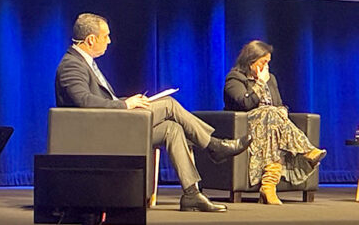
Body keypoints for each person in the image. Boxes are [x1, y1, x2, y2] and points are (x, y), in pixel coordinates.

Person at [55, 13, 252, 212]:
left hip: (112, 124)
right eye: (105, 36)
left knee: (171, 128)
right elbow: (83, 101)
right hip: (99, 132)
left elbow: (102, 101)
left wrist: (129, 101)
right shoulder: (71, 65)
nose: (109, 41)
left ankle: (192, 193)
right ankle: (214, 145)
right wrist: (125, 106)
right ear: (90, 39)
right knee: (169, 105)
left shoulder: (85, 62)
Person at [223, 40, 326, 204]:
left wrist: (282, 110)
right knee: (270, 113)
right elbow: (245, 104)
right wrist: (260, 83)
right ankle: (306, 150)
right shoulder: (235, 78)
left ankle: (269, 185)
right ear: (251, 61)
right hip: (245, 125)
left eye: (268, 63)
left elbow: (277, 103)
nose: (266, 67)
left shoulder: (271, 79)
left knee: (274, 115)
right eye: (263, 62)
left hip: (270, 127)